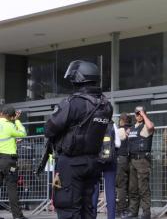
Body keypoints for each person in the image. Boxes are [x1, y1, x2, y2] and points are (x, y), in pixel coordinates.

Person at [44, 60, 113, 219]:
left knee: (69, 207)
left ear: (78, 79)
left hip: (71, 162)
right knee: (87, 207)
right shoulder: (106, 105)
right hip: (92, 162)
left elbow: (49, 128)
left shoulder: (73, 103)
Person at [125, 106, 154, 219]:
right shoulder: (133, 128)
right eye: (137, 114)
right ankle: (133, 211)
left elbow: (151, 126)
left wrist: (144, 114)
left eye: (141, 113)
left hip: (142, 161)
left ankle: (146, 213)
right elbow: (127, 137)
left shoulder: (147, 126)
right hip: (132, 160)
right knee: (133, 188)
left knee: (143, 188)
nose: (139, 115)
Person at [0, 105, 27, 219]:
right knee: (12, 188)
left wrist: (13, 141)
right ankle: (17, 216)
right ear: (10, 116)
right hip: (8, 161)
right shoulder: (10, 125)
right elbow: (23, 133)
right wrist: (17, 121)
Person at [92, 121, 121, 219]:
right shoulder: (112, 125)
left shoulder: (93, 123)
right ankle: (111, 217)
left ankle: (92, 216)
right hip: (110, 160)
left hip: (96, 160)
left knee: (94, 189)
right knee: (110, 190)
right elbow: (117, 144)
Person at [116, 113, 132, 218]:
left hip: (120, 159)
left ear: (122, 120)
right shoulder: (133, 129)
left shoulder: (117, 130)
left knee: (121, 186)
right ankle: (131, 210)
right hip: (132, 159)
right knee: (131, 186)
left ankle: (121, 211)